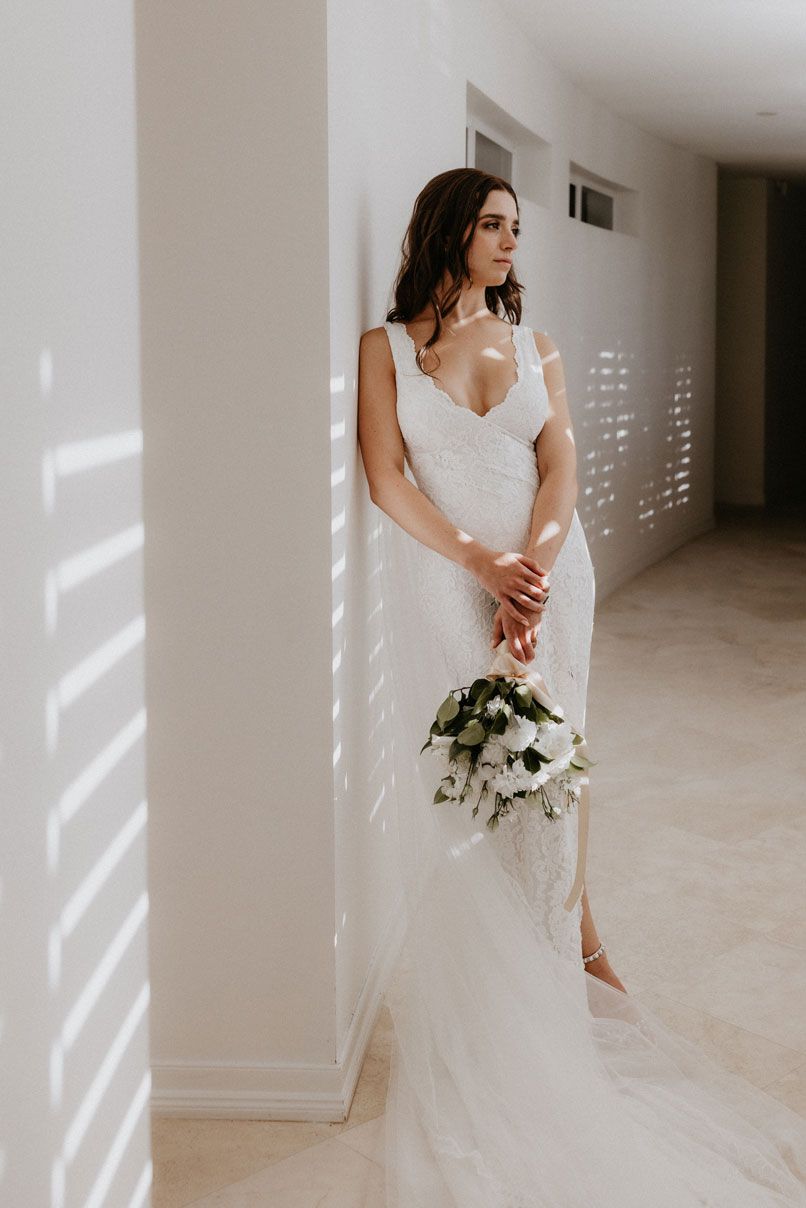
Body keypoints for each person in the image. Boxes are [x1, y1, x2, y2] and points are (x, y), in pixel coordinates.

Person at [356, 167, 806, 1206]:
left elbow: (559, 465)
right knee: (482, 788)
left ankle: (564, 984)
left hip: (551, 578)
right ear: (446, 231)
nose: (512, 242)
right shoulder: (384, 352)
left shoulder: (536, 346)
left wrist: (536, 574)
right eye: (493, 225)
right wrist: (482, 567)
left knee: (551, 777)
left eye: (516, 227)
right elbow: (386, 478)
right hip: (452, 579)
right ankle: (544, 987)